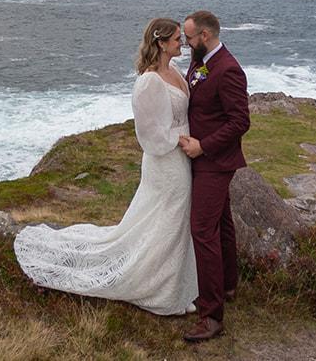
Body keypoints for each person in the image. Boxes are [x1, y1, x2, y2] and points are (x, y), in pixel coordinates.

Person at [11, 18, 199, 315]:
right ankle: (159, 291)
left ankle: (174, 285)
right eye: (177, 39)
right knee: (167, 221)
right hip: (166, 161)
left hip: (181, 158)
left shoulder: (173, 70)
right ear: (161, 43)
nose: (182, 44)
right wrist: (180, 140)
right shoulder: (149, 81)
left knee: (173, 221)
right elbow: (149, 133)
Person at [177, 9, 249, 342]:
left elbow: (239, 123)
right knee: (221, 223)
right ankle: (228, 286)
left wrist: (203, 146)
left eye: (189, 38)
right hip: (206, 159)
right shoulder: (203, 60)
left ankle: (212, 316)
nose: (186, 43)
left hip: (215, 162)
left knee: (201, 229)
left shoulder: (229, 70)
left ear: (204, 36)